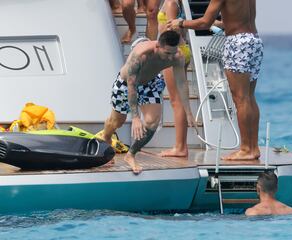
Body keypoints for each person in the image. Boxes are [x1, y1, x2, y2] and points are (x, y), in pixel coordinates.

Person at [168, 0, 264, 160]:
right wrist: (221, 23)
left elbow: (204, 22)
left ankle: (246, 149)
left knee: (240, 99)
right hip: (253, 40)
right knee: (249, 97)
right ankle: (253, 148)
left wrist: (182, 23)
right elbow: (236, 17)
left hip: (237, 43)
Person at [102, 30, 197, 174]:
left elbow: (182, 83)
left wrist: (189, 112)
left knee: (152, 121)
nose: (170, 57)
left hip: (150, 83)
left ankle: (131, 154)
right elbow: (131, 85)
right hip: (127, 83)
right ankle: (106, 137)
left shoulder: (177, 56)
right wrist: (135, 117)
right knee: (116, 122)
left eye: (173, 52)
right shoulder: (141, 54)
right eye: (167, 53)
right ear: (157, 46)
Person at [157, 0, 192, 157]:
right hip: (180, 50)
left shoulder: (171, 3)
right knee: (177, 101)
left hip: (175, 52)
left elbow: (173, 34)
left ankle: (180, 147)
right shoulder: (172, 2)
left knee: (176, 101)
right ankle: (180, 146)